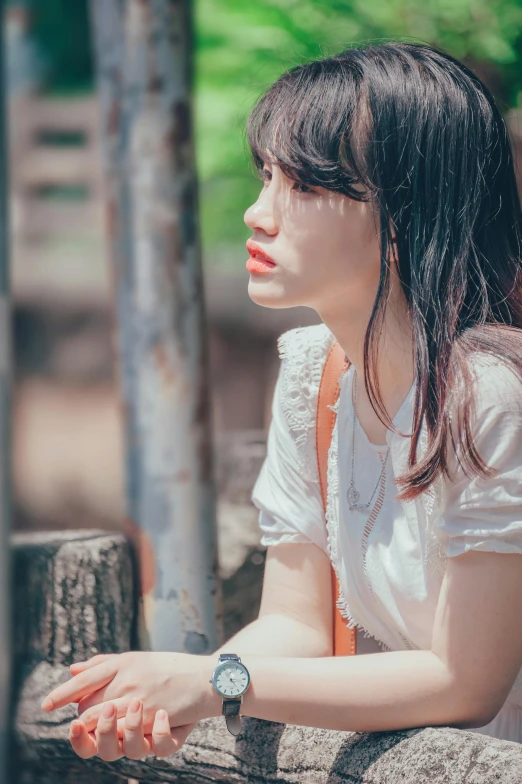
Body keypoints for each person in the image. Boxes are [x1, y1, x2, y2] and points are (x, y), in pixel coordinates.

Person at [41, 41, 522, 760]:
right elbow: (296, 624)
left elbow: (464, 680)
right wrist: (168, 692)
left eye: (305, 187)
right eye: (268, 175)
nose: (257, 214)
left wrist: (218, 683)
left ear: (405, 216)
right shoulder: (316, 376)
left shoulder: (491, 396)